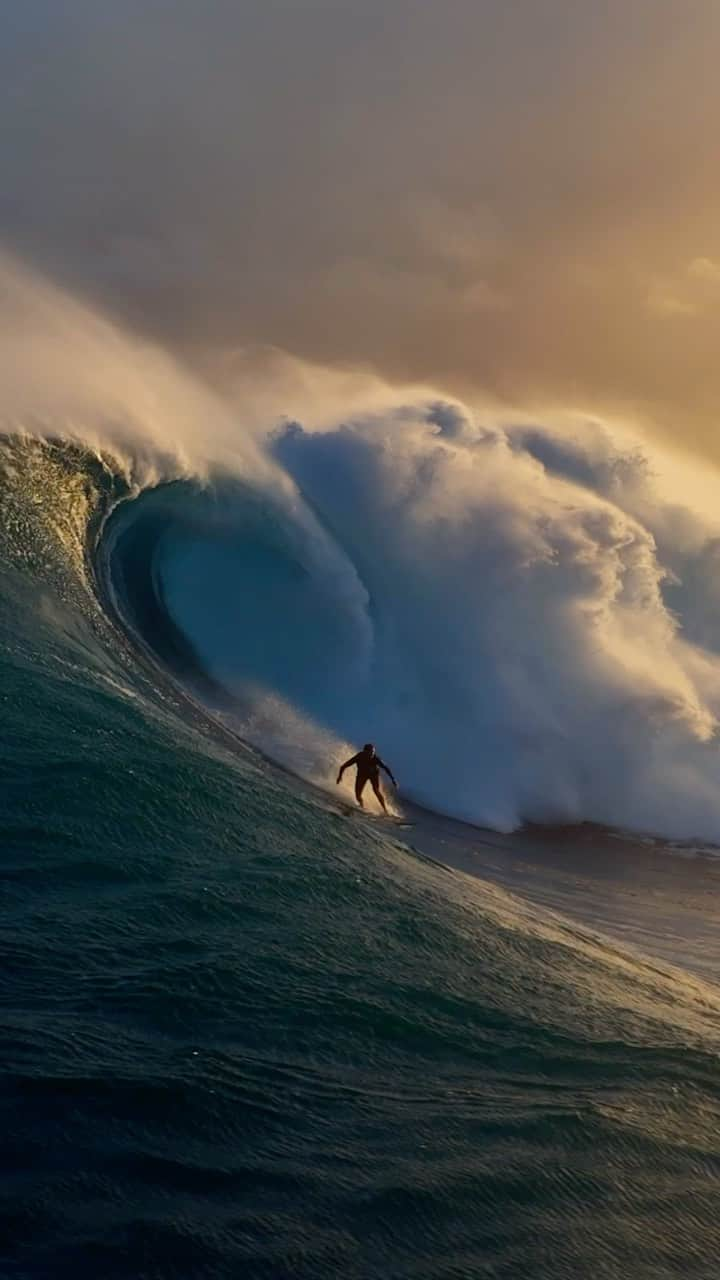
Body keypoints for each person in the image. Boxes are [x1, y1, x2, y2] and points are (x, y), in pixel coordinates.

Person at [336, 742, 397, 812]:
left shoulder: (376, 759)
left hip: (373, 775)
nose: (372, 754)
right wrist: (340, 777)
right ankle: (362, 806)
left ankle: (385, 810)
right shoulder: (359, 756)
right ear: (365, 751)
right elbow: (343, 766)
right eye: (370, 752)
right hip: (362, 775)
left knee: (376, 790)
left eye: (373, 752)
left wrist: (393, 779)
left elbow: (386, 768)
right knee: (358, 796)